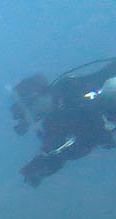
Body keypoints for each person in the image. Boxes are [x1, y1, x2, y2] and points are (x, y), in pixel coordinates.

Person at [10, 58, 116, 186]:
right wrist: (43, 167)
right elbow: (59, 150)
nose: (34, 117)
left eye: (31, 110)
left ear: (38, 95)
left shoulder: (66, 89)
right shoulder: (54, 122)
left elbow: (83, 140)